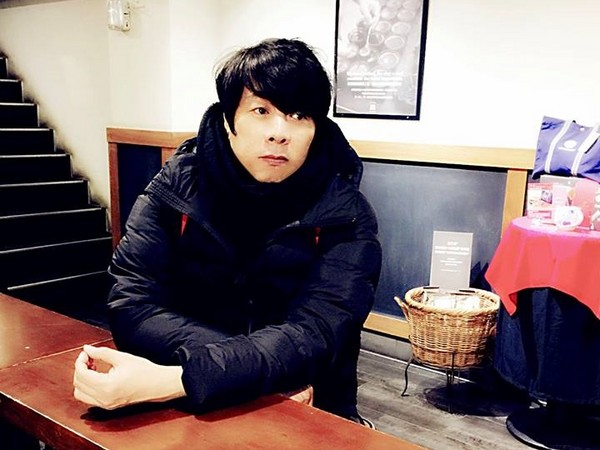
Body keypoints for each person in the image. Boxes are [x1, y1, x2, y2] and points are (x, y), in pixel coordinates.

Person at [73, 37, 382, 424]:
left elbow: (318, 331)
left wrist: (181, 379)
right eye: (261, 110)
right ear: (227, 119)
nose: (279, 132)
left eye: (299, 115)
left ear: (316, 128)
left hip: (311, 407)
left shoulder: (345, 211)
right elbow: (132, 303)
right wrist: (242, 373)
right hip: (196, 402)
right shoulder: (175, 188)